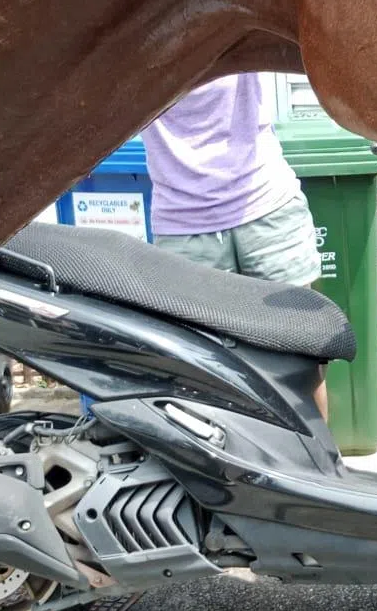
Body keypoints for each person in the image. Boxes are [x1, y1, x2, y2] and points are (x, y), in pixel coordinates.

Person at [140, 73, 327, 410]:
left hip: (267, 205)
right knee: (198, 377)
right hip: (182, 224)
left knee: (300, 363)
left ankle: (322, 462)